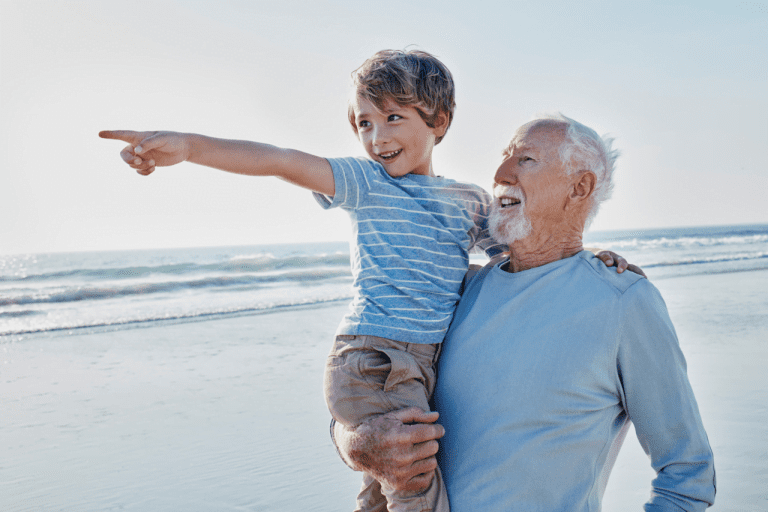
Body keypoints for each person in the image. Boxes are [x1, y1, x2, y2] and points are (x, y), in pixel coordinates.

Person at [100, 50, 633, 512]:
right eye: (364, 123)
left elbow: (522, 257)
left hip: (423, 362)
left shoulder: (469, 203)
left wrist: (589, 261)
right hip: (374, 357)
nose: (377, 138)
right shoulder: (366, 184)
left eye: (393, 118)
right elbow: (281, 161)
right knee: (415, 485)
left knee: (382, 492)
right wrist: (190, 146)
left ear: (438, 122)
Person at [333, 114, 716, 511]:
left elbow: (687, 475)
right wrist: (355, 443)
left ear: (579, 187)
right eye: (503, 157)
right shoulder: (456, 290)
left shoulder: (624, 301)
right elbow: (359, 387)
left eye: (526, 160)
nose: (500, 173)